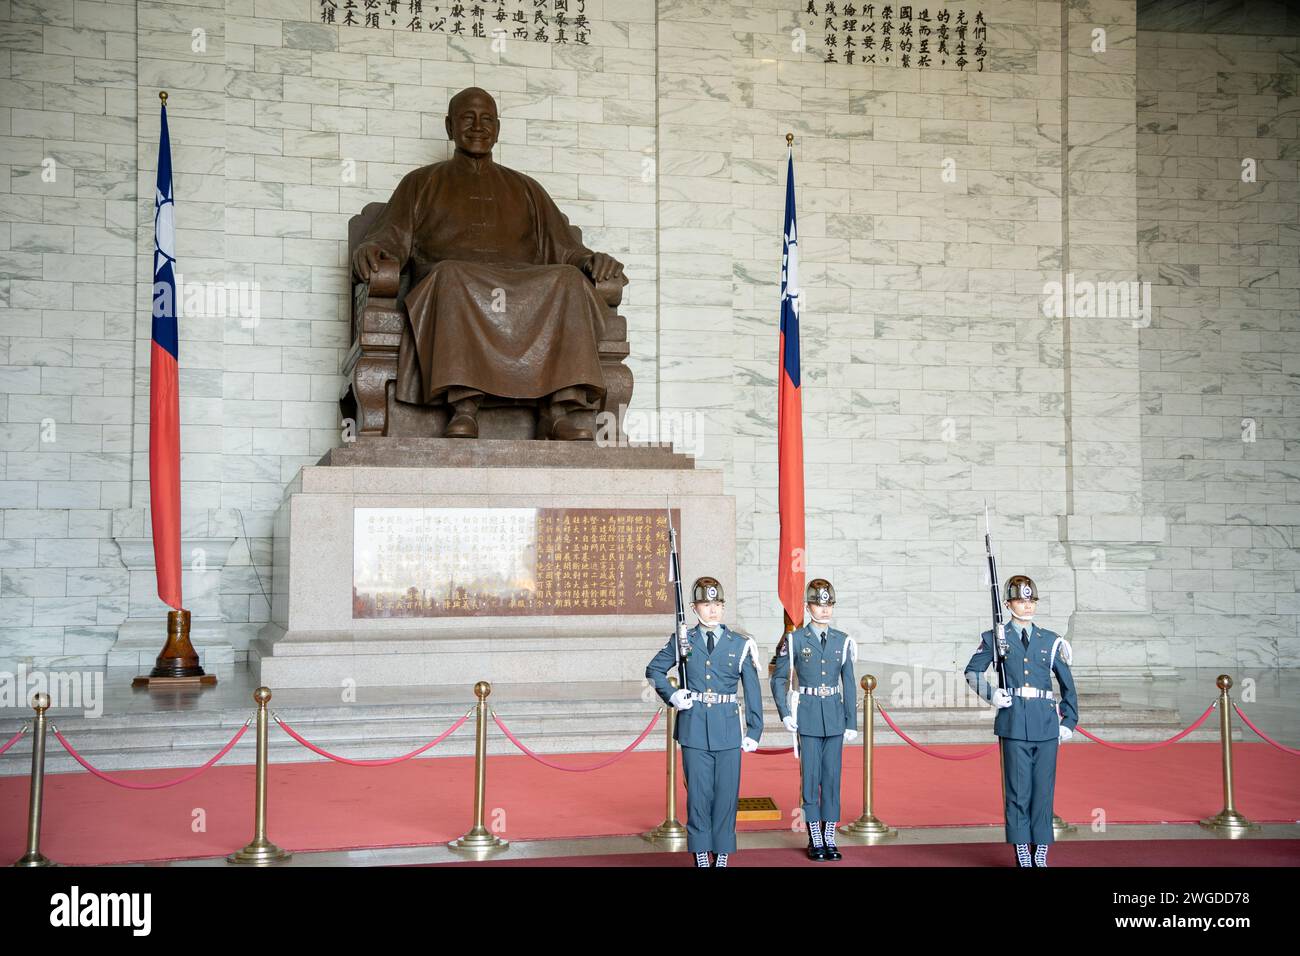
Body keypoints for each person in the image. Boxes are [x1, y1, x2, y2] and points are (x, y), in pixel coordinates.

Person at [352, 87, 626, 440]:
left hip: (522, 286)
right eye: (467, 118)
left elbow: (566, 250)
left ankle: (557, 411)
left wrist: (592, 261)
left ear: (498, 128)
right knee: (451, 274)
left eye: (486, 119)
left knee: (569, 280)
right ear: (449, 127)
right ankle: (463, 407)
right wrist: (372, 248)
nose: (477, 126)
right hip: (454, 282)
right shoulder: (420, 183)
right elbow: (391, 238)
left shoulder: (527, 188)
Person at [646, 577, 763, 867]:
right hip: (694, 727)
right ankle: (700, 853)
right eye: (707, 604)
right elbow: (654, 670)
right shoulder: (683, 639)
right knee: (698, 796)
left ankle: (721, 855)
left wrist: (755, 728)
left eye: (718, 605)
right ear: (694, 607)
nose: (713, 610)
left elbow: (752, 690)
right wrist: (672, 695)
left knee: (726, 796)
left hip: (727, 729)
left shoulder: (741, 644)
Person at [964, 575, 1078, 867]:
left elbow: (1067, 685)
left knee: (1043, 789)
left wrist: (1069, 721)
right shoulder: (995, 637)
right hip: (1014, 721)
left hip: (1045, 723)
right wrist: (992, 694)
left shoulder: (1051, 641)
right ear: (1008, 604)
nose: (1027, 606)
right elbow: (972, 672)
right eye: (1021, 601)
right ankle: (1021, 848)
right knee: (1018, 789)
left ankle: (1040, 846)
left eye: (1031, 601)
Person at [770, 578, 858, 861]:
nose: (825, 610)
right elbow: (779, 677)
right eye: (819, 605)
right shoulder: (795, 639)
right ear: (808, 607)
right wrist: (785, 712)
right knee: (811, 780)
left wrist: (851, 721)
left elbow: (850, 684)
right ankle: (815, 837)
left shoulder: (842, 641)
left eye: (829, 604)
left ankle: (830, 835)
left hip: (833, 715)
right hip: (806, 714)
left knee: (832, 778)